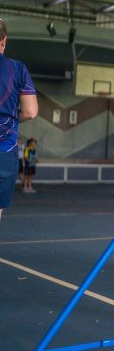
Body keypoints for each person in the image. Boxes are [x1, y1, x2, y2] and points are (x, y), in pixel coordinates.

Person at [0, 19, 38, 222]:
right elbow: (31, 112)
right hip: (4, 151)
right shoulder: (18, 69)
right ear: (4, 40)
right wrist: (13, 118)